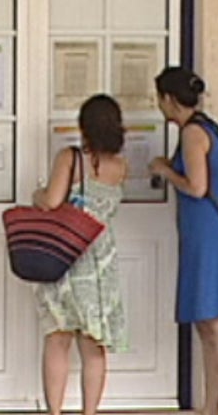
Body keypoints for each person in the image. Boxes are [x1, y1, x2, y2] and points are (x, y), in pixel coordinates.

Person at [148, 67, 218, 415]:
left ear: (170, 99)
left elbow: (197, 186)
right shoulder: (207, 127)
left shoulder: (193, 134)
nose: (158, 105)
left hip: (210, 237)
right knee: (207, 326)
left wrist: (165, 171)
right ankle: (211, 407)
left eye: (160, 98)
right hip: (207, 237)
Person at [32, 94, 128, 415]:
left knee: (58, 338)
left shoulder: (70, 158)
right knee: (93, 345)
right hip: (101, 262)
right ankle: (90, 412)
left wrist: (37, 193)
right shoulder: (119, 166)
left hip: (66, 256)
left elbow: (52, 201)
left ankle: (55, 412)